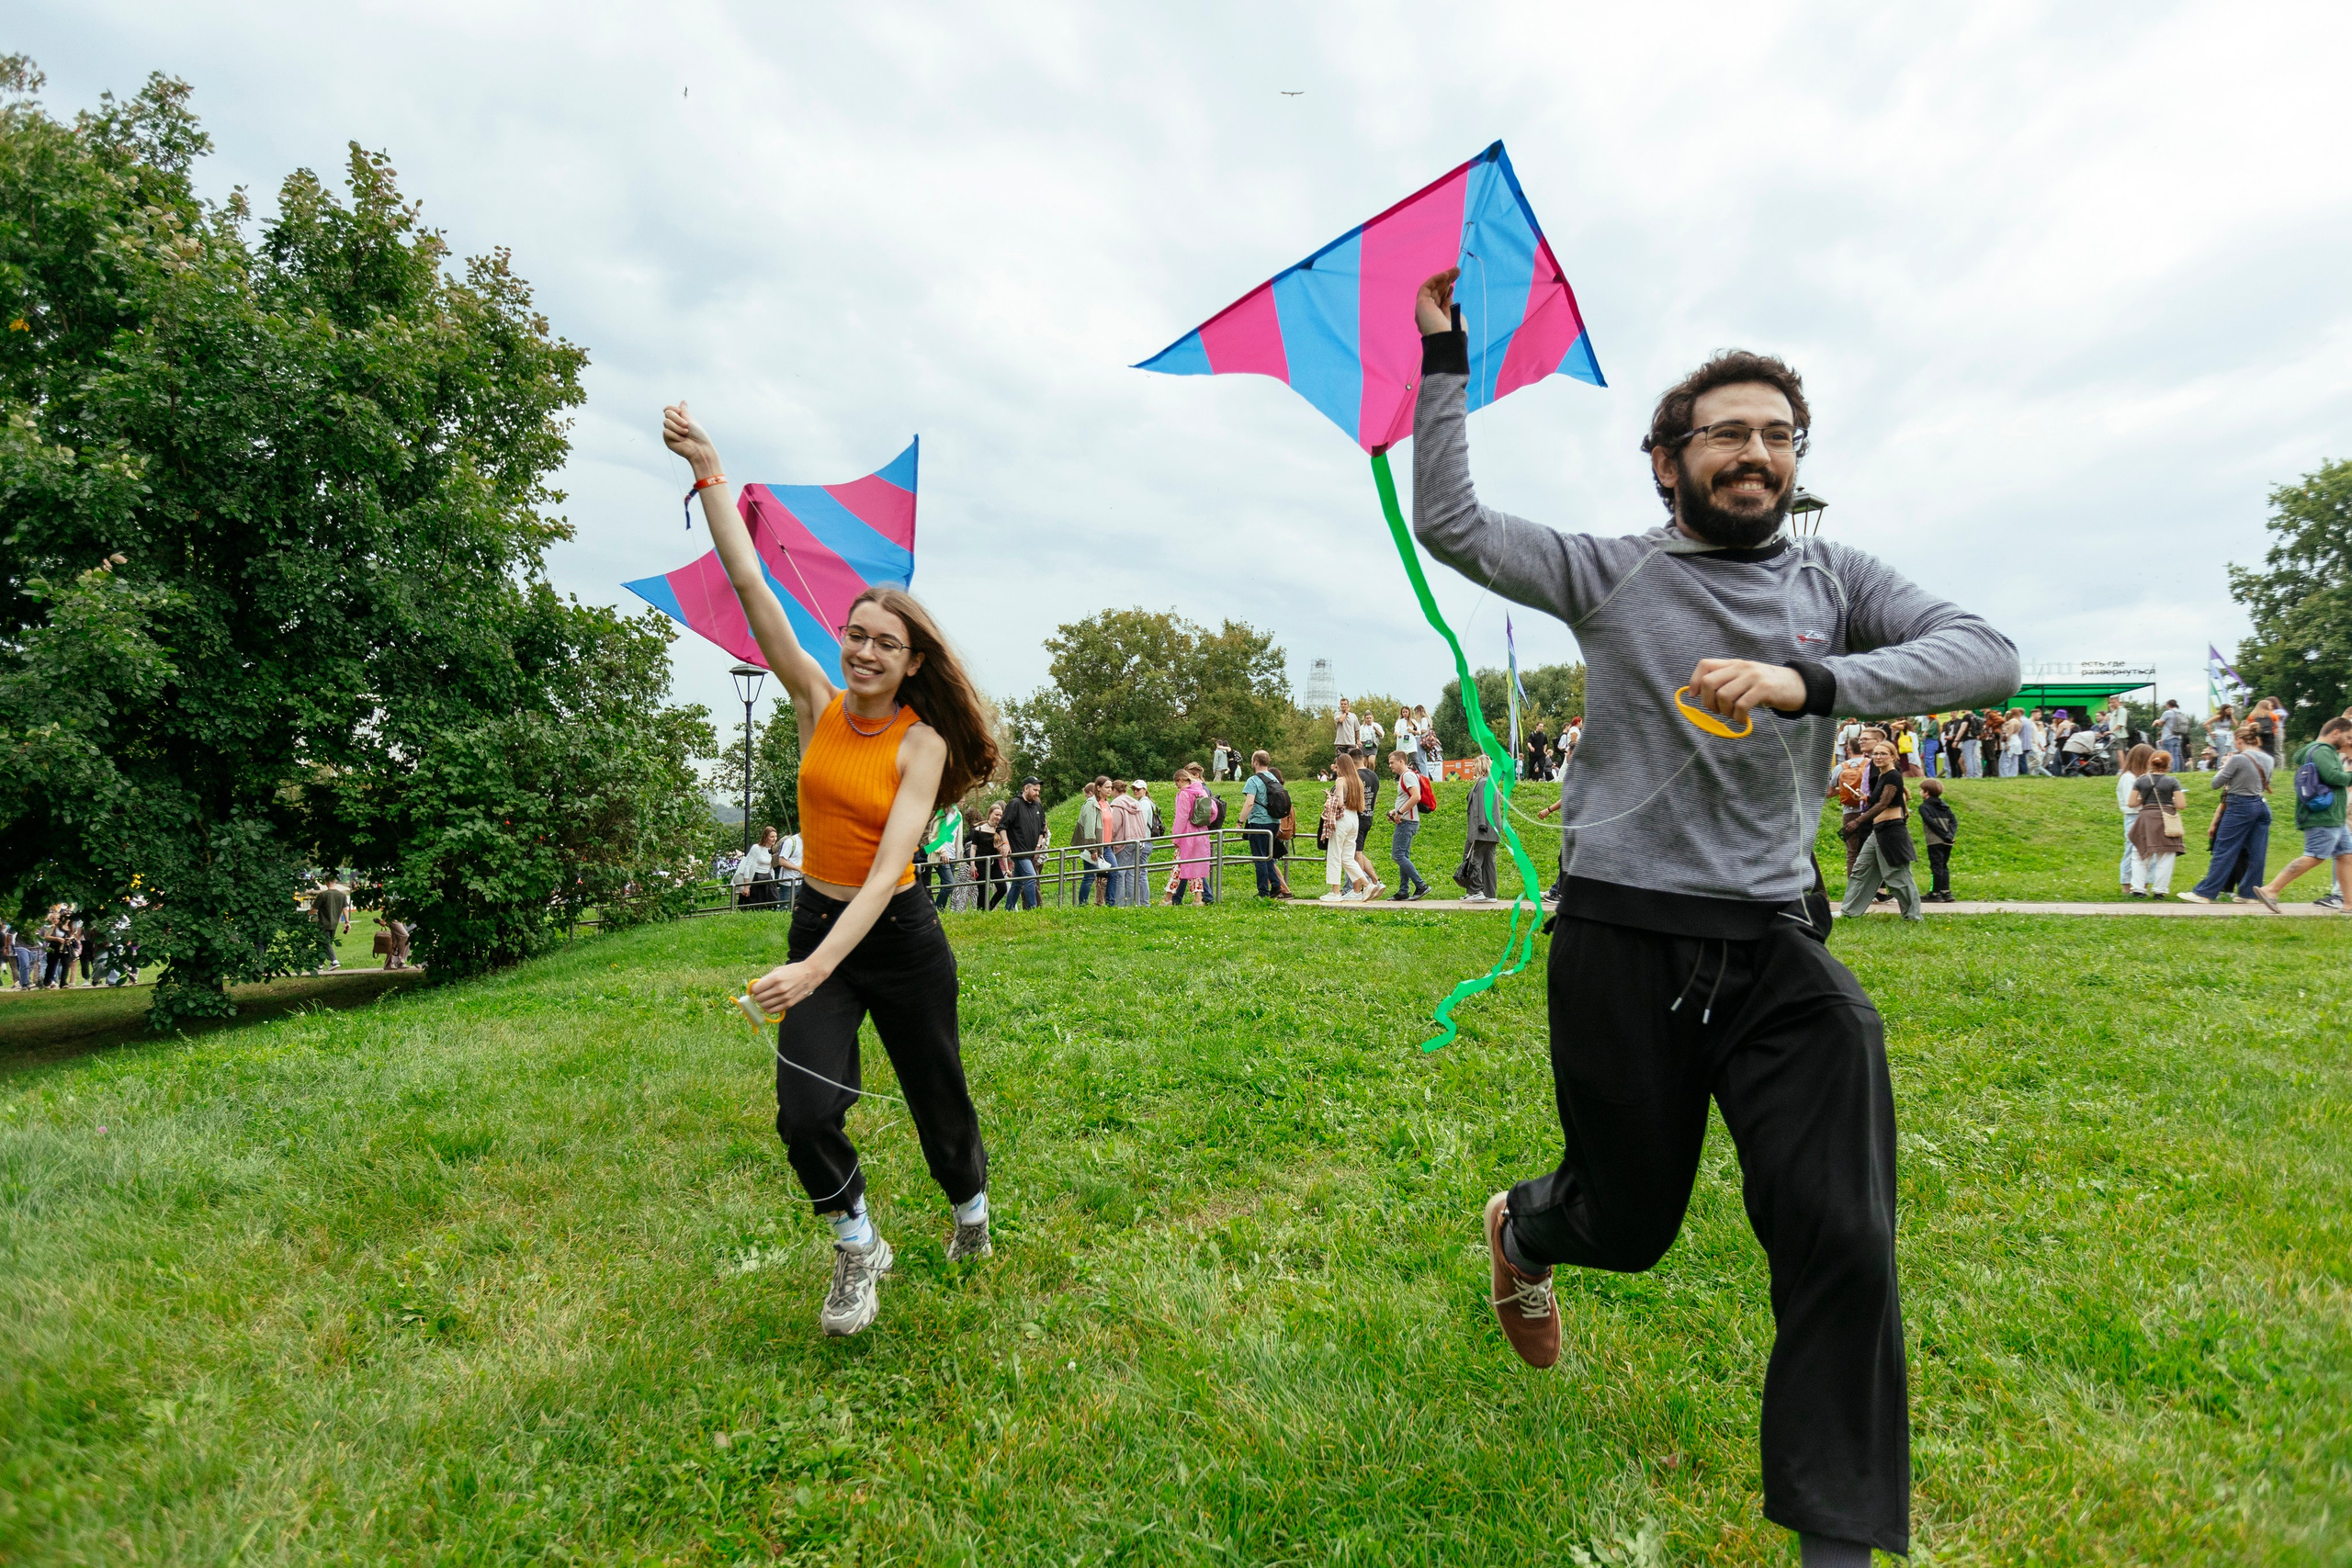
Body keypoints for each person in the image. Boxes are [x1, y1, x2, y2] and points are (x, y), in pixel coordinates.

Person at [1411, 269, 2018, 1565]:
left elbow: (1987, 652)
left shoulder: (1835, 576)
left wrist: (1812, 678)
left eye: (1779, 435)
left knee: (1844, 1227)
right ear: (1667, 462)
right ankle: (1526, 1226)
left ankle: (1839, 1541)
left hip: (1777, 942)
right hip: (1624, 938)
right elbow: (1450, 521)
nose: (1757, 453)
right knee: (1628, 1222)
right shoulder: (1614, 574)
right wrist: (1447, 353)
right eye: (1729, 432)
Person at [666, 400, 1001, 1338]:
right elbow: (749, 584)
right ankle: (857, 1243)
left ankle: (969, 1210)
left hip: (894, 938)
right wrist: (710, 475)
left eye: (884, 643)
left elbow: (892, 863)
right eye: (855, 634)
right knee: (804, 1114)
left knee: (937, 1091)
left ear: (912, 661)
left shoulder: (922, 745)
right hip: (816, 927)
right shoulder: (814, 698)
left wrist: (812, 971)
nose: (862, 650)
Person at [2256, 716, 2352, 910]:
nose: (2350, 741)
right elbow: (2334, 777)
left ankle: (2349, 904)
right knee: (2315, 855)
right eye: (2348, 736)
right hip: (2324, 816)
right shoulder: (2323, 751)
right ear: (2336, 732)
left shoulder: (2319, 751)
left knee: (2346, 856)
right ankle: (2271, 889)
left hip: (2334, 817)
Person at [2181, 721, 2277, 906]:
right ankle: (2249, 893)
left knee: (2224, 850)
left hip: (2239, 805)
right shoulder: (2269, 759)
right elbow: (2267, 782)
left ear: (2239, 740)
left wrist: (2225, 766)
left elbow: (2215, 783)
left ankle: (2205, 892)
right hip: (2261, 805)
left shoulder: (2238, 759)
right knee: (2257, 853)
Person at [1839, 741, 1923, 920]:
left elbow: (1884, 804)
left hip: (1892, 832)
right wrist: (1865, 797)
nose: (1878, 757)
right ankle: (1848, 912)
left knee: (1897, 875)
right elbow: (1880, 800)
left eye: (1883, 753)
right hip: (1878, 831)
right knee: (1861, 870)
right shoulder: (1881, 777)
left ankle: (1913, 916)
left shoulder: (1893, 776)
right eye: (1876, 753)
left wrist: (1858, 822)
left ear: (1893, 757)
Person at [2125, 751, 2186, 897]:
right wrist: (2170, 801)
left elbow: (2131, 803)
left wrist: (2144, 799)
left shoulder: (2141, 781)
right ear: (2168, 765)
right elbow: (2181, 804)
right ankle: (2159, 890)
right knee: (2166, 855)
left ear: (2150, 764)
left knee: (2139, 854)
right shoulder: (2172, 782)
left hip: (2146, 818)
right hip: (2166, 819)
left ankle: (2138, 889)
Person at [1319, 752, 1372, 902]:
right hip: (1354, 818)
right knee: (1348, 857)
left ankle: (1335, 892)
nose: (1335, 768)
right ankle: (1367, 885)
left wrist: (1331, 798)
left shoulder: (1341, 780)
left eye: (1337, 765)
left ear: (1341, 765)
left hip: (1342, 818)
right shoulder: (1357, 781)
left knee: (1334, 854)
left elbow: (1340, 802)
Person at [1240, 751, 1289, 899]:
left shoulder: (1253, 780)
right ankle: (1275, 886)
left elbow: (1249, 803)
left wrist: (1239, 822)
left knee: (1260, 858)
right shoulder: (1274, 778)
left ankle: (1263, 892)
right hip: (1274, 823)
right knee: (1267, 856)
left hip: (1259, 822)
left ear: (1255, 762)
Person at [1168, 764, 1216, 905]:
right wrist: (1203, 823)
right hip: (1201, 833)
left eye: (1176, 782)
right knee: (1197, 867)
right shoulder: (1201, 791)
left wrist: (1176, 837)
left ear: (1182, 779)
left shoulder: (1184, 793)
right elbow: (1213, 811)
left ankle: (1169, 898)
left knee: (1178, 865)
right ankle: (1198, 899)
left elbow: (1181, 817)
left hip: (1187, 834)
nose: (1176, 785)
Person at [1386, 748, 1431, 901]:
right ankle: (1403, 891)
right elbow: (1408, 799)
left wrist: (1399, 813)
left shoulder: (1408, 776)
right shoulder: (1405, 777)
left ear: (1401, 761)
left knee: (1398, 855)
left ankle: (1421, 885)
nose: (1390, 765)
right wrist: (1395, 811)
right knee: (1403, 856)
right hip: (1407, 820)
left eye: (1392, 762)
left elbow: (1416, 797)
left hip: (1407, 822)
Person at [1000, 776, 1049, 911]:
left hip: (1032, 851)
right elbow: (1002, 826)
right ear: (1026, 788)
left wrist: (1038, 847)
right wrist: (1005, 843)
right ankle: (1032, 910)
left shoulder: (1037, 805)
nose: (1037, 793)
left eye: (1038, 790)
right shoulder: (1015, 803)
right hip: (1019, 851)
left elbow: (1042, 828)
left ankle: (1008, 909)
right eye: (1035, 790)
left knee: (1017, 882)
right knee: (1031, 878)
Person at [1458, 753, 1500, 902]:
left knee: (1473, 858)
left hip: (1482, 828)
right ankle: (1489, 893)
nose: (1472, 768)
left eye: (1474, 765)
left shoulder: (1483, 783)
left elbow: (1483, 806)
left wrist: (1481, 825)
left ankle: (1476, 891)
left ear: (1480, 766)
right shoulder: (1491, 783)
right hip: (1492, 829)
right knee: (1489, 860)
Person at [1104, 780, 1151, 907]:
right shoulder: (1136, 803)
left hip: (1124, 842)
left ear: (1115, 790)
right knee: (1131, 874)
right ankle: (1132, 903)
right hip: (1138, 841)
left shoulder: (1117, 804)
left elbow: (1114, 826)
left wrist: (1109, 840)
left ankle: (1119, 905)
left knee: (1120, 873)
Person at [2115, 742, 2152, 894]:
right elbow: (2132, 802)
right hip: (2134, 816)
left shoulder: (2140, 777)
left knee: (2147, 851)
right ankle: (2126, 884)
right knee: (2131, 849)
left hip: (2144, 815)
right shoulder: (2128, 778)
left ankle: (2143, 883)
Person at [1351, 746, 1387, 897]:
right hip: (1369, 816)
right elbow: (1376, 798)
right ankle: (1375, 881)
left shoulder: (1356, 776)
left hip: (1358, 818)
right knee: (1357, 852)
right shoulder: (1374, 776)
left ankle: (1358, 890)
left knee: (1357, 854)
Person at [1918, 777, 1958, 902]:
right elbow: (1954, 822)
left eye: (1921, 790)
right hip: (1948, 842)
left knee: (1936, 866)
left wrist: (1943, 835)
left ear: (1927, 792)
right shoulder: (1945, 807)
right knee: (1944, 866)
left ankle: (1935, 893)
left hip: (1934, 841)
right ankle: (1945, 891)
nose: (1920, 792)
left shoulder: (1924, 807)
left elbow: (1931, 823)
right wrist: (1949, 836)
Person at [1072, 780, 1107, 907]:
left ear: (1090, 792)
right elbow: (1089, 827)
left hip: (1094, 844)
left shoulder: (1097, 803)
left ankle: (1086, 902)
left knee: (1092, 875)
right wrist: (1092, 848)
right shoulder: (1091, 804)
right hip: (1091, 844)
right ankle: (1083, 903)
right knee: (1090, 875)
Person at [966, 803, 1007, 910]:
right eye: (996, 814)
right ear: (990, 814)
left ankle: (988, 908)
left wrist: (1006, 868)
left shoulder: (999, 830)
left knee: (1002, 888)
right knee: (982, 889)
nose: (998, 817)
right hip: (981, 862)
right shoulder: (978, 830)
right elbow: (973, 848)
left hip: (994, 863)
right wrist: (972, 864)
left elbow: (1003, 849)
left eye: (1000, 815)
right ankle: (981, 912)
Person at [733, 827, 780, 907]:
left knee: (774, 902)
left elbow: (770, 867)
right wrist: (747, 886)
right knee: (754, 904)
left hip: (767, 878)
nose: (774, 839)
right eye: (771, 837)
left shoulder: (771, 850)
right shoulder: (756, 848)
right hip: (756, 878)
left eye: (775, 836)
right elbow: (747, 867)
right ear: (765, 837)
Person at [312, 875, 350, 970]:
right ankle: (319, 965)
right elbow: (345, 909)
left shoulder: (323, 895)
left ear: (326, 882)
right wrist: (347, 922)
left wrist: (305, 915)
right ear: (336, 881)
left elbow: (313, 910)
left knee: (325, 943)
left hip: (323, 923)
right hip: (334, 924)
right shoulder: (342, 895)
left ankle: (334, 961)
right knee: (323, 944)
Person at [2157, 699, 2190, 772]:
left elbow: (2160, 723)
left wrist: (2156, 721)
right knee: (2176, 755)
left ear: (2168, 705)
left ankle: (2171, 770)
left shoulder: (2168, 712)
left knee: (2169, 755)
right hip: (2178, 736)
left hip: (2168, 737)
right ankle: (2176, 771)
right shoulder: (2180, 712)